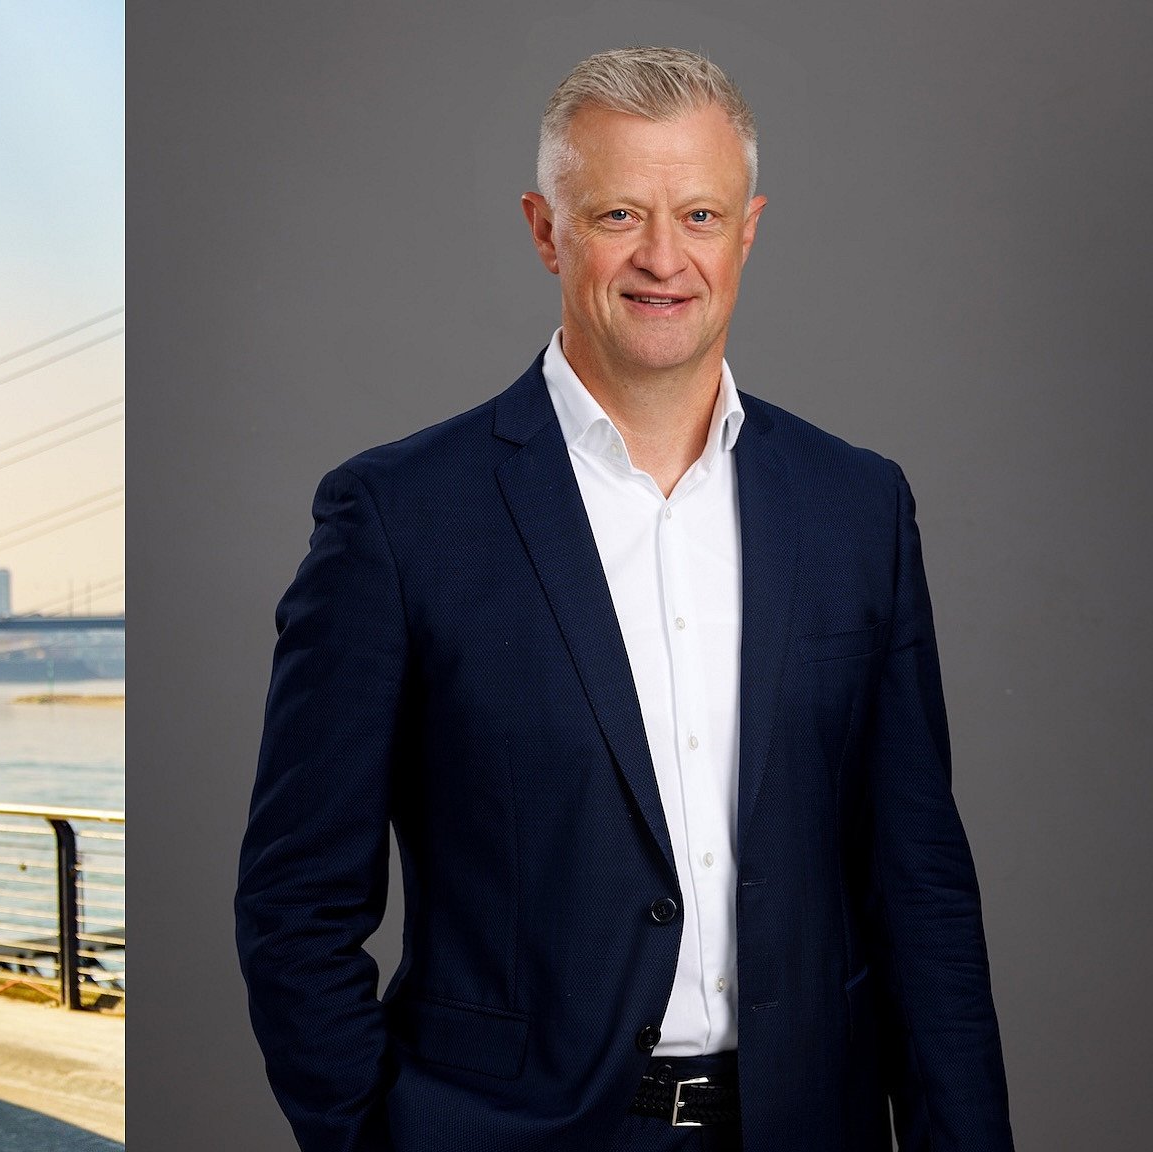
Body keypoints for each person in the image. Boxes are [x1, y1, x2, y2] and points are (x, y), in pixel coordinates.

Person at [233, 46, 1013, 1152]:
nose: (662, 258)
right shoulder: (399, 518)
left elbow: (919, 886)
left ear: (745, 230)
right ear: (544, 229)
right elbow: (294, 904)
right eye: (614, 216)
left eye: (697, 215)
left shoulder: (855, 506)